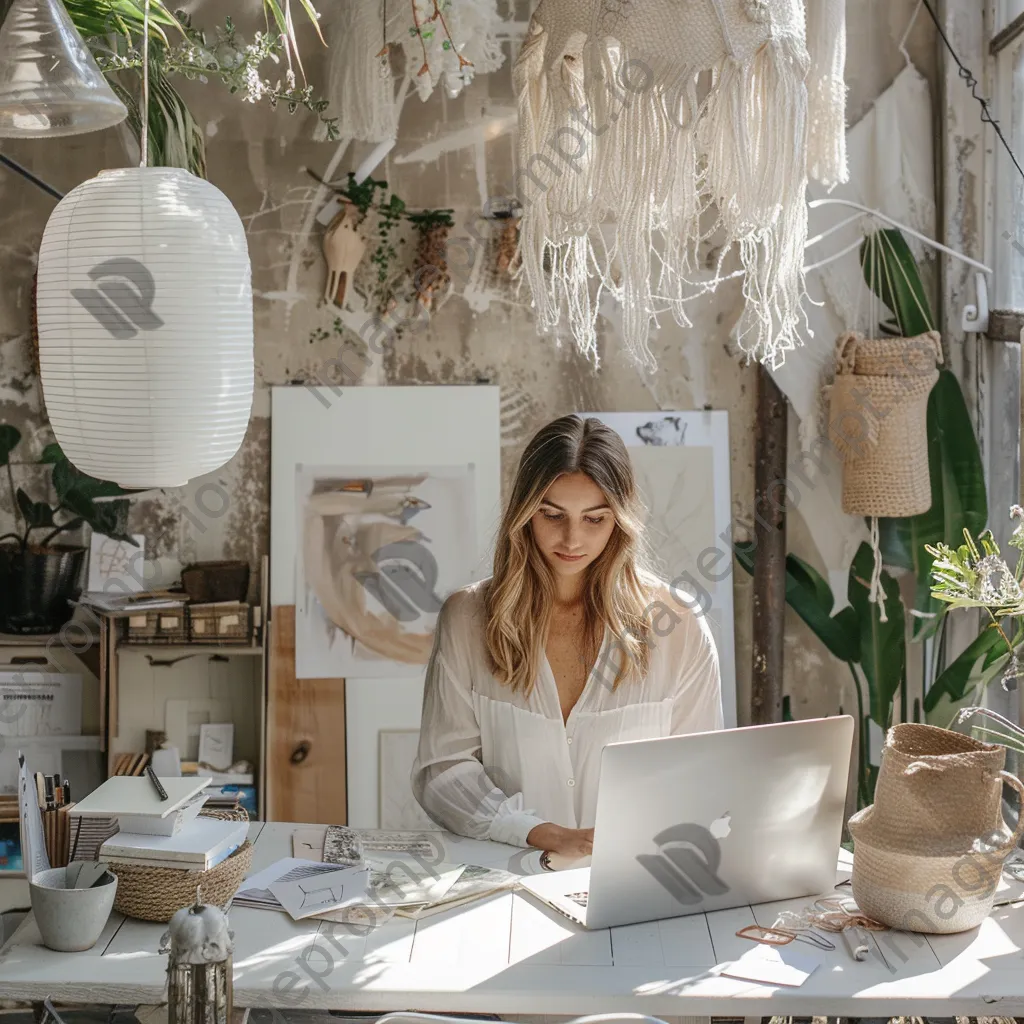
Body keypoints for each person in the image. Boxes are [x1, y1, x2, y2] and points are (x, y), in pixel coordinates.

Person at [411, 414, 723, 862]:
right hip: (506, 882)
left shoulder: (678, 624)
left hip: (639, 881)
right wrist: (541, 833)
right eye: (552, 514)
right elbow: (443, 770)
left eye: (595, 518)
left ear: (621, 520)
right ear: (524, 512)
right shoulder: (468, 618)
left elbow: (701, 772)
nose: (572, 538)